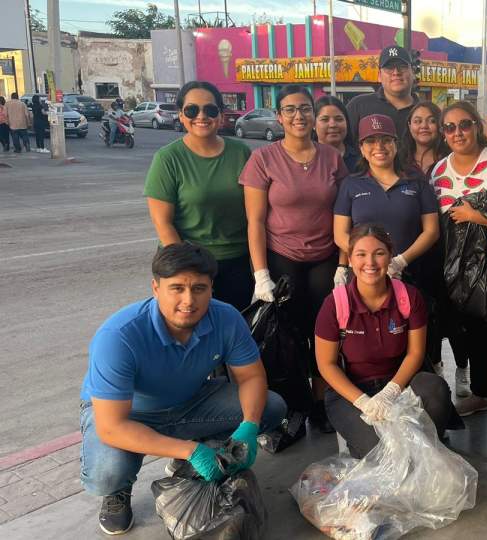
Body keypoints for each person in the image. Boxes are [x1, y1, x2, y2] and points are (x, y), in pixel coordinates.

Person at [79, 243, 286, 535]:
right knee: (107, 474)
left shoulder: (225, 318)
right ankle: (119, 491)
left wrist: (249, 426)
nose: (189, 301)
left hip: (190, 402)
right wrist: (190, 450)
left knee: (271, 407)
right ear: (155, 287)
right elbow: (112, 426)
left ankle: (197, 456)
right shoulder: (119, 336)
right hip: (131, 415)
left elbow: (251, 377)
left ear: (211, 288)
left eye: (199, 288)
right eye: (177, 288)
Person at [240, 84, 349, 428]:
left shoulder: (331, 157)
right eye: (290, 110)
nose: (299, 116)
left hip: (324, 257)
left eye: (305, 109)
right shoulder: (263, 159)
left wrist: (343, 263)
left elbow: (346, 211)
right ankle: (294, 407)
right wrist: (261, 274)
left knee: (323, 331)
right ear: (279, 116)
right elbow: (255, 221)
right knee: (286, 336)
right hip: (281, 256)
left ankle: (321, 403)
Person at [315, 224, 452, 458]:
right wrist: (363, 402)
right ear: (350, 259)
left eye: (379, 253)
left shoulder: (408, 297)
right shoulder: (335, 304)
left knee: (435, 389)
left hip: (398, 383)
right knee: (382, 454)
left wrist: (391, 392)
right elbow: (326, 364)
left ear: (390, 257)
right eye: (361, 254)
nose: (370, 263)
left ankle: (428, 441)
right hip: (352, 392)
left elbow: (415, 353)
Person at [431, 101, 487, 434]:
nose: (458, 132)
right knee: (470, 332)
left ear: (477, 126)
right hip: (458, 268)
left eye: (465, 124)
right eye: (450, 127)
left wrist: (475, 217)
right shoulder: (438, 171)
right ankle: (481, 394)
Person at [145, 81, 254, 312]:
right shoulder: (167, 159)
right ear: (181, 115)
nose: (201, 116)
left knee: (232, 332)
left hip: (237, 262)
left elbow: (256, 210)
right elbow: (163, 223)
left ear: (221, 115)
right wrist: (190, 270)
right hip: (187, 263)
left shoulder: (241, 153)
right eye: (192, 110)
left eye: (210, 110)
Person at [333, 114, 439, 288]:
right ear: (361, 148)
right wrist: (368, 260)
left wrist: (400, 261)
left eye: (386, 140)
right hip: (364, 275)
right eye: (370, 141)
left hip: (408, 273)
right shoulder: (350, 184)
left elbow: (431, 231)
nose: (379, 146)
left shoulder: (417, 181)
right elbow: (340, 234)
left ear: (396, 145)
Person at [346, 46, 418, 142]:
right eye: (389, 68)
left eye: (402, 67)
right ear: (379, 75)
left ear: (413, 72)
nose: (396, 72)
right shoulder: (358, 106)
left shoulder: (425, 111)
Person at [400, 101, 449, 175]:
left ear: (440, 125)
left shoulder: (451, 159)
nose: (424, 126)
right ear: (409, 126)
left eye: (432, 121)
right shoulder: (399, 160)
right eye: (417, 121)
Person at [315, 94, 360, 173]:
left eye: (339, 119)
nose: (332, 125)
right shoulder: (305, 159)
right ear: (313, 124)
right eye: (325, 119)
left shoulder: (360, 159)